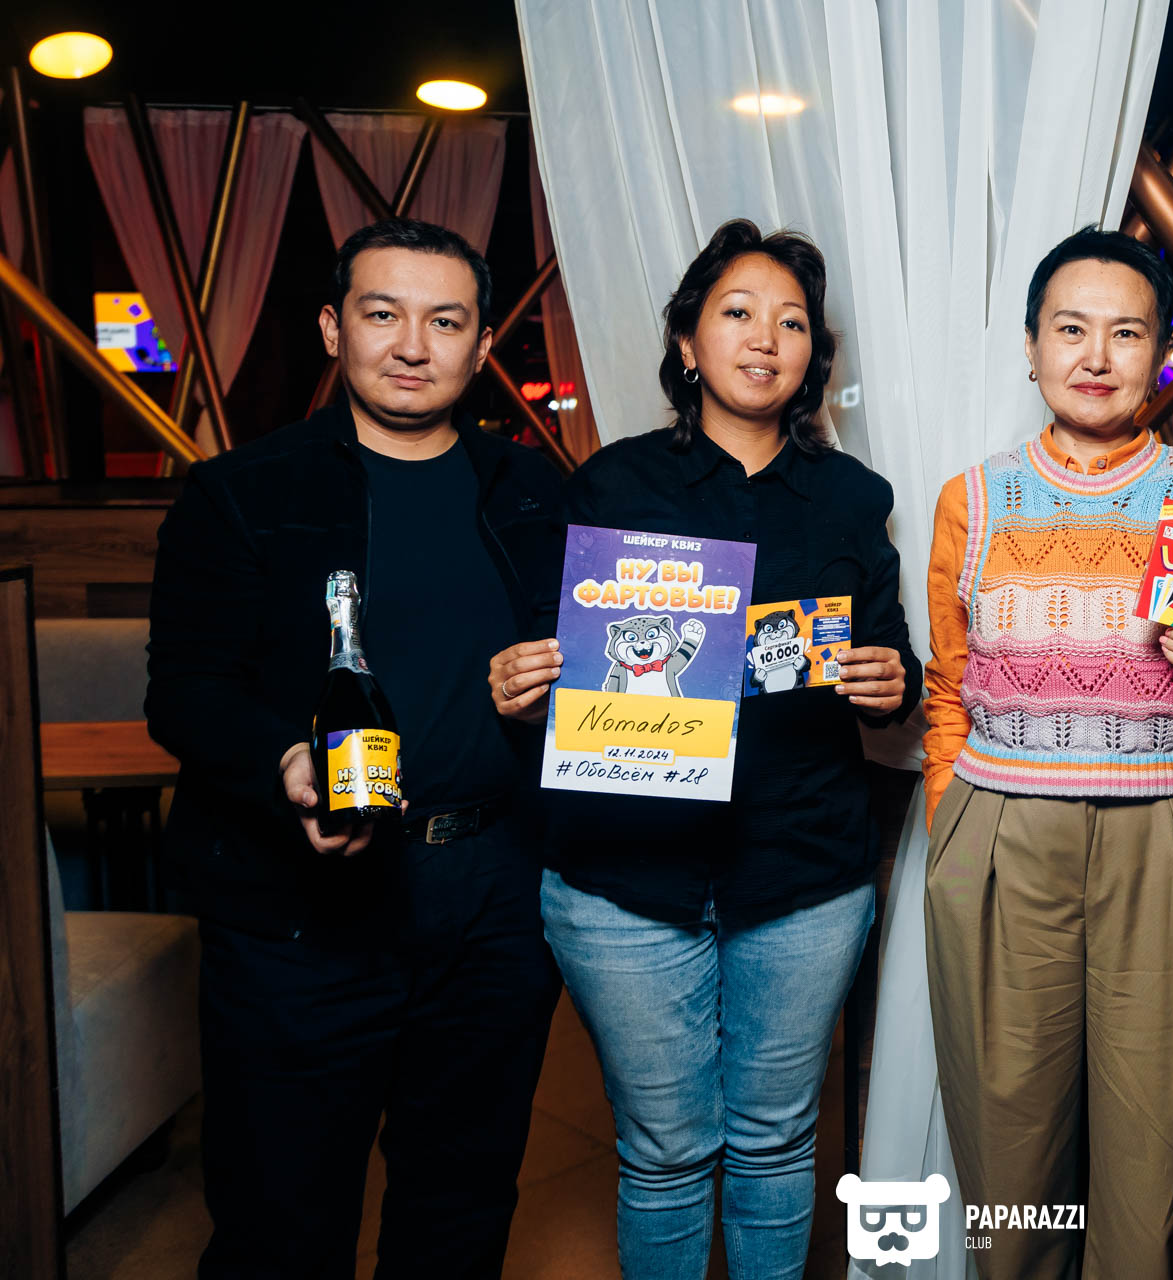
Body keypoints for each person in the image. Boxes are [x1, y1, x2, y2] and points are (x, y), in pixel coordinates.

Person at [487, 219, 920, 1279]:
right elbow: (557, 661)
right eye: (737, 313)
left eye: (792, 322)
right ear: (688, 342)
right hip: (625, 881)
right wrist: (522, 683)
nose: (766, 338)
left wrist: (890, 680)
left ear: (814, 355)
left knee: (776, 1140)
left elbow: (892, 660)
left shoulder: (852, 497)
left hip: (803, 876)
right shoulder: (609, 486)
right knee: (665, 1153)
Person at [146, 218, 565, 1278]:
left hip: (493, 898)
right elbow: (186, 693)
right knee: (280, 1220)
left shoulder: (537, 495)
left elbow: (597, 669)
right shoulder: (242, 493)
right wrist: (285, 760)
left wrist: (553, 702)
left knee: (461, 1204)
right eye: (384, 314)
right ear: (335, 328)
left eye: (446, 321)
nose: (412, 345)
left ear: (481, 346)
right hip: (299, 912)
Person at [920, 226, 1173, 1279]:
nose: (1095, 355)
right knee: (1009, 1154)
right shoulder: (973, 498)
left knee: (1163, 1152)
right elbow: (948, 687)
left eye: (1126, 333)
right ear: (1032, 347)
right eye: (1070, 328)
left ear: (1159, 353)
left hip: (1166, 837)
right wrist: (954, 834)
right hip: (1001, 839)